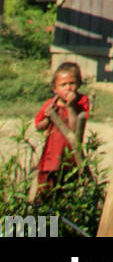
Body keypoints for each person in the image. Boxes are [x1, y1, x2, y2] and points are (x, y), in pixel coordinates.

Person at [33, 62, 90, 191]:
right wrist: (48, 118)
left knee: (69, 187)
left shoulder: (82, 102)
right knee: (46, 187)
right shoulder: (50, 104)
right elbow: (38, 126)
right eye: (63, 85)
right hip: (51, 155)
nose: (68, 88)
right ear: (55, 89)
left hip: (71, 156)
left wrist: (70, 107)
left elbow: (75, 129)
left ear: (79, 84)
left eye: (72, 83)